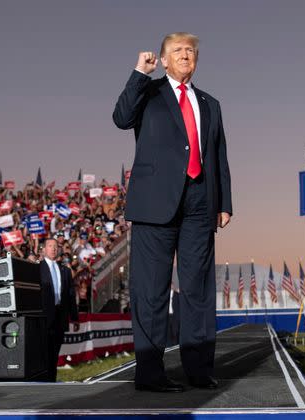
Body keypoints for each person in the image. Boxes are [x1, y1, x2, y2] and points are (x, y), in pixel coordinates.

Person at [113, 32, 232, 392]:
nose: (186, 54)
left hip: (200, 203)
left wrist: (224, 202)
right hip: (154, 204)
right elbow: (120, 118)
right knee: (151, 291)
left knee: (197, 290)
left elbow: (219, 155)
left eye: (191, 50)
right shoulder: (148, 92)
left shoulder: (211, 103)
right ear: (163, 60)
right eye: (177, 50)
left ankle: (199, 370)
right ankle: (150, 374)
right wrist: (139, 73)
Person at [40, 238, 79, 382]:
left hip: (60, 317)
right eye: (50, 246)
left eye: (56, 246)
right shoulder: (37, 268)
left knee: (55, 350)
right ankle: (42, 379)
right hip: (44, 318)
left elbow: (70, 295)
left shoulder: (65, 270)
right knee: (44, 350)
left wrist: (74, 318)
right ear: (44, 249)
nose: (53, 249)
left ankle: (51, 380)